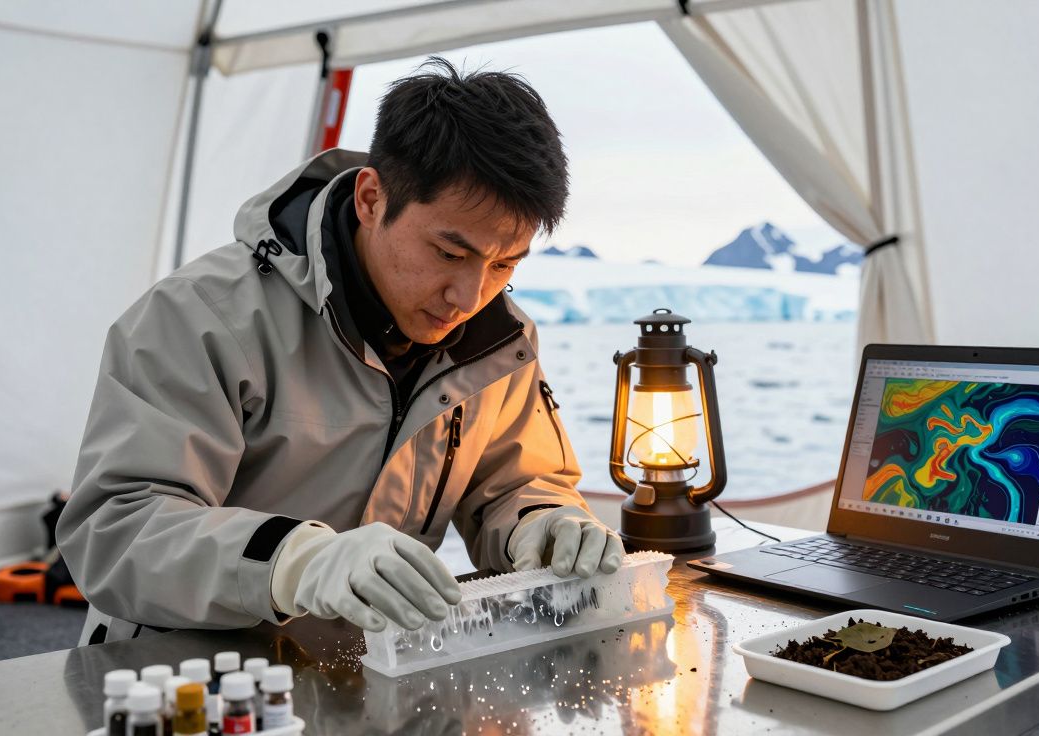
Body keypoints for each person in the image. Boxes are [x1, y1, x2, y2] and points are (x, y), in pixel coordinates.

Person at [57, 58, 624, 644]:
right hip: (188, 680)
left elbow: (511, 486)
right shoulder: (200, 316)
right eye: (449, 254)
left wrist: (542, 523)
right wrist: (294, 561)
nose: (470, 296)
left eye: (503, 264)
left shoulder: (501, 343)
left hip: (368, 676)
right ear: (372, 198)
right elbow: (117, 530)